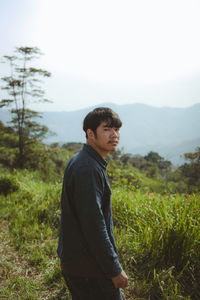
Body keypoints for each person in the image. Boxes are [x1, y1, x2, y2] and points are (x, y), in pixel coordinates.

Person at [57, 107, 128, 300]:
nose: (114, 135)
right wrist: (114, 269)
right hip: (89, 268)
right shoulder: (87, 168)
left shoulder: (87, 161)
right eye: (107, 129)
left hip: (81, 264)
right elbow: (94, 225)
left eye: (116, 129)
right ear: (90, 133)